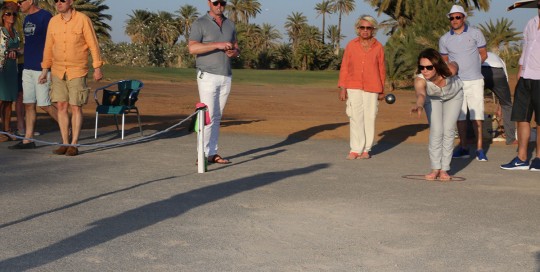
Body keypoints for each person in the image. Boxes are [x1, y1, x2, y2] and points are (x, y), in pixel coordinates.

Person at [40, 0, 104, 156]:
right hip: (57, 70)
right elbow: (48, 46)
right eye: (56, 1)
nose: (58, 3)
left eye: (62, 0)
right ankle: (65, 142)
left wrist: (97, 67)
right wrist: (44, 70)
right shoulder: (53, 22)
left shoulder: (83, 19)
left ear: (71, 2)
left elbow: (93, 44)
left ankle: (74, 144)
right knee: (61, 106)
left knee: (76, 106)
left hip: (77, 70)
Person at [188, 0, 239, 164]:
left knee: (217, 116)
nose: (219, 6)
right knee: (207, 116)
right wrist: (217, 45)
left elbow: (237, 47)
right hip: (207, 75)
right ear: (209, 2)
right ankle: (201, 155)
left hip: (225, 75)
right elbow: (193, 48)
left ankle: (212, 153)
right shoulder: (200, 23)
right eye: (216, 2)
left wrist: (234, 52)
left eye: (222, 2)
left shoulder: (230, 24)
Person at [439, 5, 488, 161]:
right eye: (452, 18)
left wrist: (472, 67)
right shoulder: (445, 39)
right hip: (456, 82)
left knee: (477, 115)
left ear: (464, 18)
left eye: (457, 17)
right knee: (459, 116)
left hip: (475, 80)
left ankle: (480, 149)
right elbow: (444, 62)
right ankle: (464, 147)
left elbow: (483, 54)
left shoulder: (475, 33)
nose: (454, 20)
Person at [9, 0, 59, 149]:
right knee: (29, 104)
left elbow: (53, 42)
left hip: (41, 68)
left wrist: (47, 66)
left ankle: (66, 129)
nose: (18, 5)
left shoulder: (45, 16)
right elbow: (30, 44)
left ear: (30, 1)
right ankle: (28, 139)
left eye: (20, 2)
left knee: (44, 104)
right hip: (27, 68)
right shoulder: (27, 19)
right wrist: (19, 51)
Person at [338, 15, 385, 160]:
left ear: (373, 30)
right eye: (362, 27)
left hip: (373, 86)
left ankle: (366, 149)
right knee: (355, 117)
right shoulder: (351, 45)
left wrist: (382, 89)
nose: (365, 30)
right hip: (353, 85)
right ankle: (355, 149)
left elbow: (381, 68)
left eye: (368, 28)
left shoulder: (378, 46)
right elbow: (345, 66)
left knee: (369, 117)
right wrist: (343, 87)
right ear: (358, 29)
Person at [411, 49, 463, 181]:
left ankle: (444, 169)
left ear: (436, 65)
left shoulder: (448, 71)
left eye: (429, 67)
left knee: (448, 129)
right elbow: (421, 94)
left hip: (454, 96)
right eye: (421, 67)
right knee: (436, 130)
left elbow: (455, 64)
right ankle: (435, 168)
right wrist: (419, 105)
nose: (425, 70)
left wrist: (453, 66)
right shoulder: (420, 80)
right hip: (433, 99)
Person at [501, 0, 540, 171]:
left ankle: (539, 158)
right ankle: (522, 158)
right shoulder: (531, 23)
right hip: (525, 77)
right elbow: (526, 49)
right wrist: (520, 71)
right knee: (521, 117)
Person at [481, 52, 517, 145]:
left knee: (469, 103)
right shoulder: (497, 57)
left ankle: (470, 137)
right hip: (498, 72)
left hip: (480, 71)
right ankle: (511, 139)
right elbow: (506, 78)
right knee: (507, 105)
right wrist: (501, 105)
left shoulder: (475, 54)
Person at [0, 5, 20, 142]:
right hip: (1, 69)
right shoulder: (0, 32)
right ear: (3, 16)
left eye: (14, 14)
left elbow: (19, 49)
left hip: (12, 69)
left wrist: (18, 52)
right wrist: (8, 52)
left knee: (9, 101)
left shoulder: (16, 32)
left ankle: (7, 130)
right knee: (0, 100)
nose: (12, 16)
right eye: (8, 14)